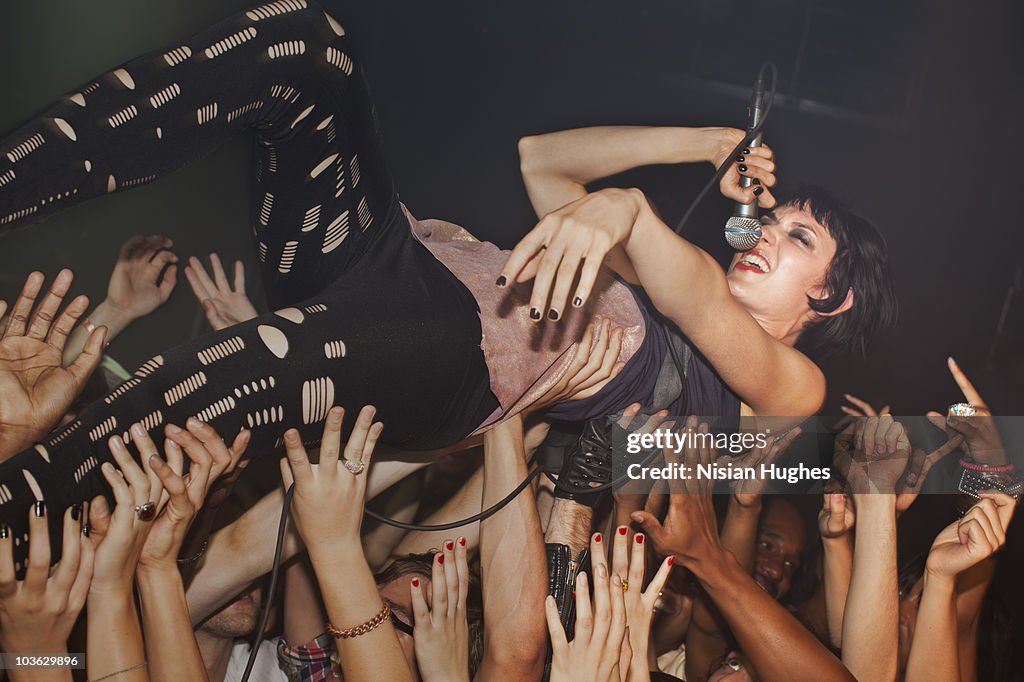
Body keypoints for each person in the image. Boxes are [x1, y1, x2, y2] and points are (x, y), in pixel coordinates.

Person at [0, 1, 896, 565]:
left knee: (242, 364)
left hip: (447, 358)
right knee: (310, 49)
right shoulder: (652, 279)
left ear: (834, 299)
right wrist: (704, 144)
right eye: (773, 221)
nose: (767, 235)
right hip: (398, 257)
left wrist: (623, 210)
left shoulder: (790, 390)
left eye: (799, 236)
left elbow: (692, 289)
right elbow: (543, 161)